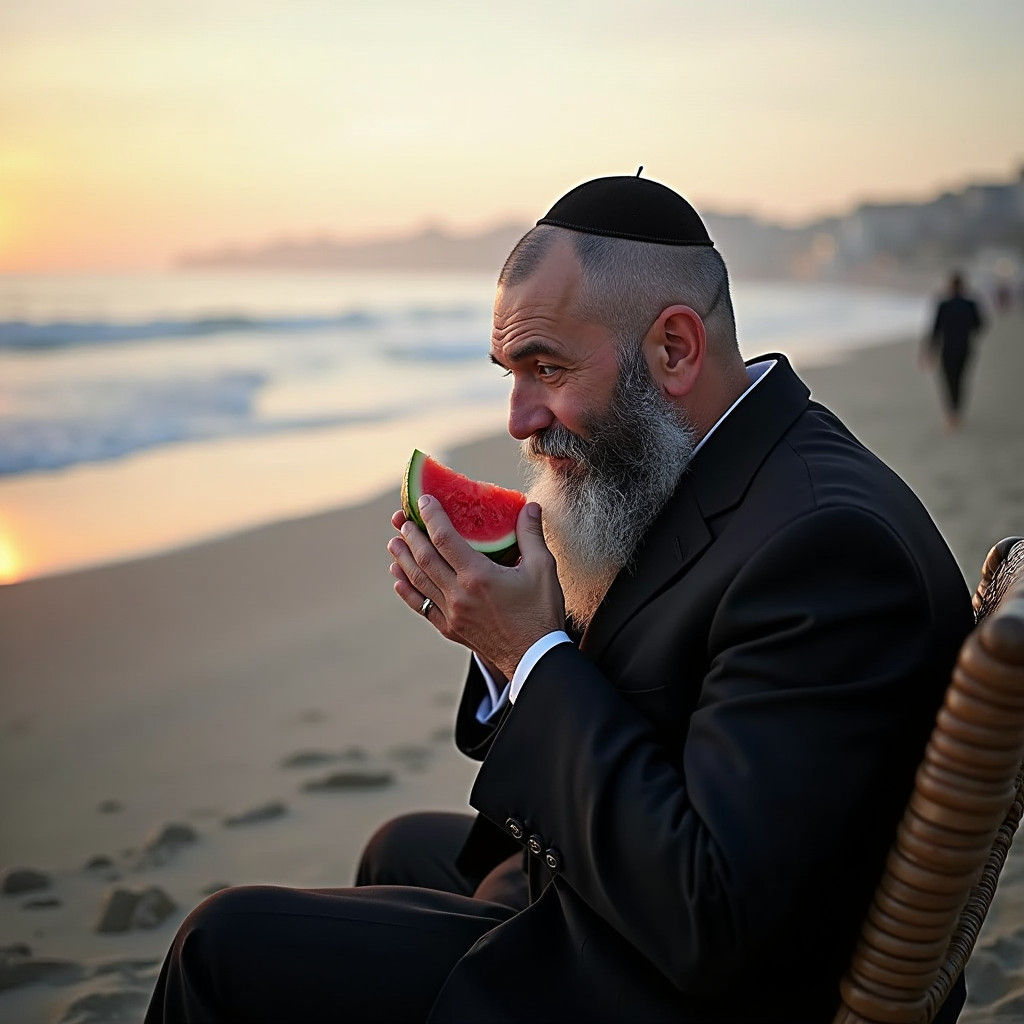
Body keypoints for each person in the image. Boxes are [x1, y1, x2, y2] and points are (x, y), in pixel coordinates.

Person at [145, 175, 974, 1023]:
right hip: (632, 915)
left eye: (547, 368)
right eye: (510, 372)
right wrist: (502, 643)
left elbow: (714, 916)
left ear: (675, 350)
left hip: (667, 983)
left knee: (220, 947)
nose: (517, 417)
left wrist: (529, 654)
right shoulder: (715, 462)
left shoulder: (828, 551)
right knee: (401, 846)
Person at [921, 271, 985, 431]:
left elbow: (935, 329)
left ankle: (952, 415)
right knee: (961, 380)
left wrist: (928, 352)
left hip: (947, 349)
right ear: (963, 286)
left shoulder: (944, 305)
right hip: (965, 348)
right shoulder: (971, 304)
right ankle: (957, 413)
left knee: (949, 381)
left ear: (950, 286)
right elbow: (979, 325)